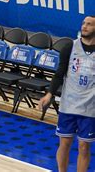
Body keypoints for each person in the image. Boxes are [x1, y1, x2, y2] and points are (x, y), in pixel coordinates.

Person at [38, 15, 95, 172]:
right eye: (84, 23)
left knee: (84, 147)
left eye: (89, 24)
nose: (84, 26)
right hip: (69, 104)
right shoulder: (70, 47)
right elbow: (59, 73)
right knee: (65, 143)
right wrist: (49, 94)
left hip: (90, 107)